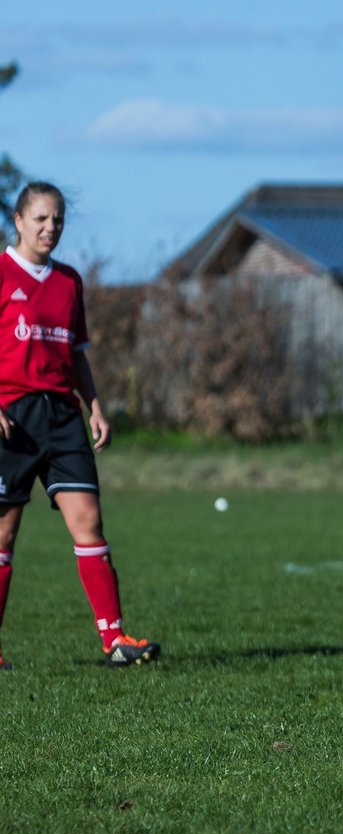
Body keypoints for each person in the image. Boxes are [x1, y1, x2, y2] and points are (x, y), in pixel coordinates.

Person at [0, 182, 160, 668]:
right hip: (11, 417)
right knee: (3, 537)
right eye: (42, 219)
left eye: (59, 221)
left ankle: (115, 641)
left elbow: (77, 354)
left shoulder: (69, 281)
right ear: (19, 221)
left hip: (63, 416)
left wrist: (94, 406)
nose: (51, 228)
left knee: (89, 523)